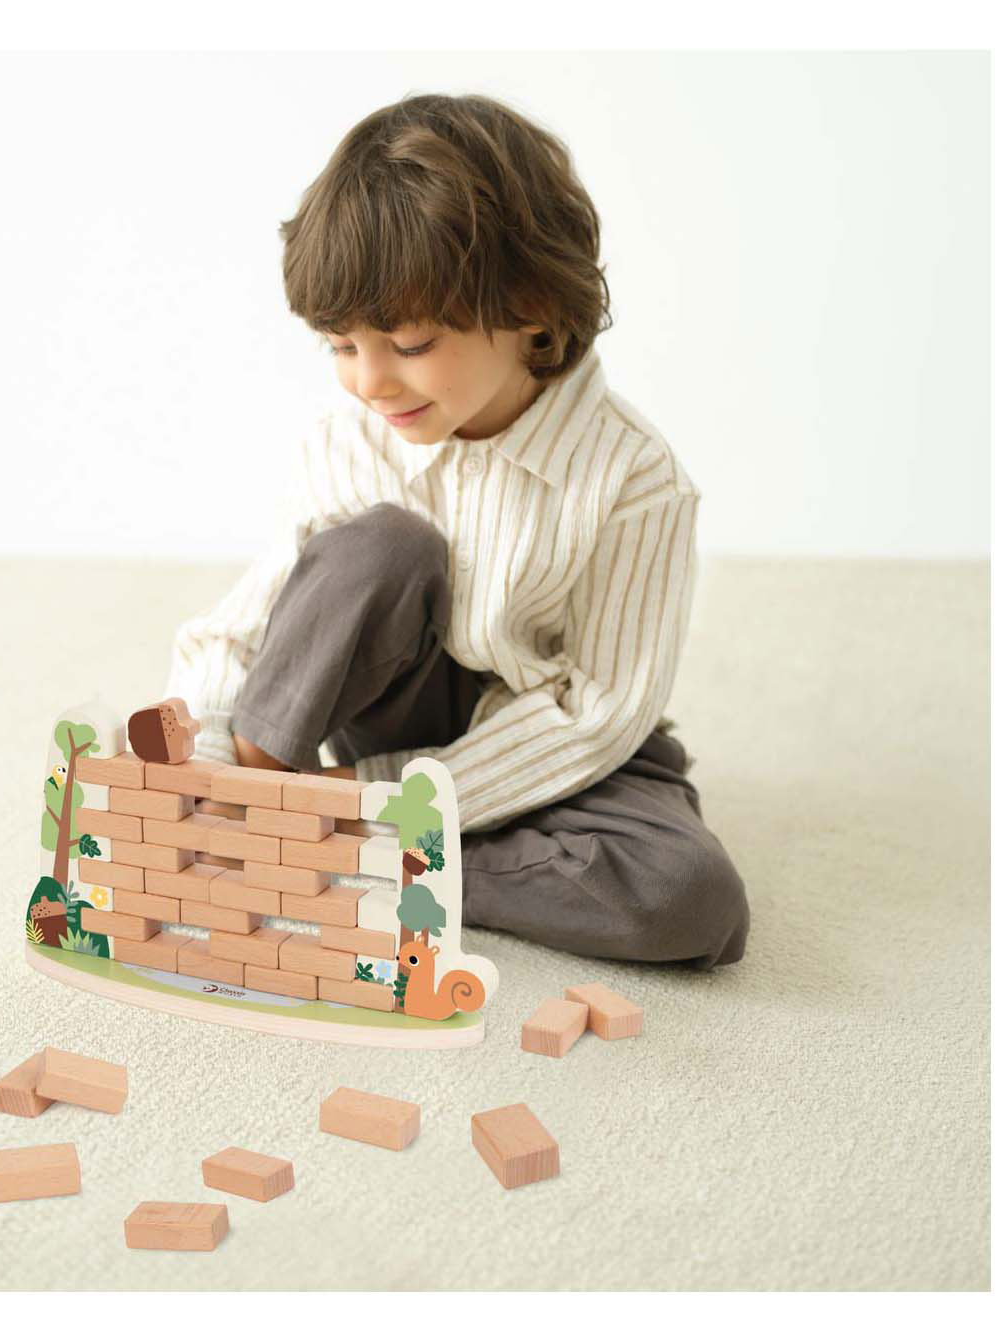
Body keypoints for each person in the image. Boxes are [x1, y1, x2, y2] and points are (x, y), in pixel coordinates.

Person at [164, 92, 749, 968]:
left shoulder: (635, 479)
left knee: (688, 898)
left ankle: (334, 843)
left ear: (533, 309)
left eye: (409, 345)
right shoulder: (346, 440)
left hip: (551, 750)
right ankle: (251, 796)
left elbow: (598, 716)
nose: (369, 382)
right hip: (392, 704)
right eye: (341, 346)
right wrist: (205, 753)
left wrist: (372, 802)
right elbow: (247, 628)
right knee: (383, 545)